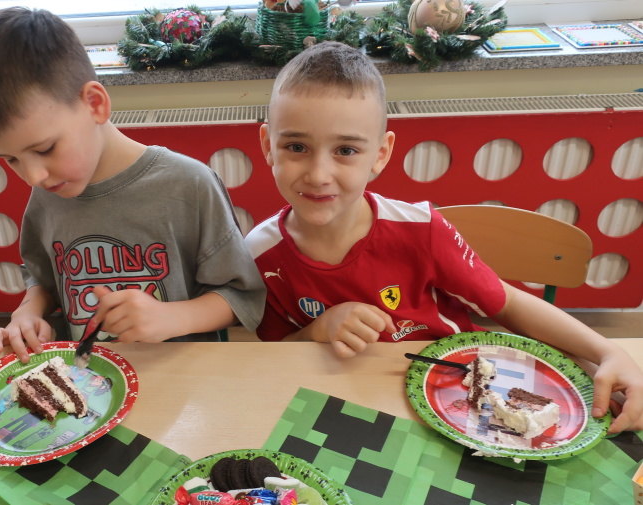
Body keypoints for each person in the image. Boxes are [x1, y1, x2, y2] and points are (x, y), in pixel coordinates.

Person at [245, 41, 642, 433]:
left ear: (380, 154)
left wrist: (608, 351)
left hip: (455, 401)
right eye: (296, 146)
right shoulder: (258, 255)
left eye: (345, 150)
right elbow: (275, 355)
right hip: (337, 408)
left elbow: (506, 303)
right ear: (268, 146)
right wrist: (318, 331)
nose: (318, 174)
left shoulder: (422, 229)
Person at [0, 7, 265, 362]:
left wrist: (173, 317)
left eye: (45, 149)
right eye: (11, 159)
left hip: (182, 379)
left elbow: (241, 296)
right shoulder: (48, 192)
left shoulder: (190, 185)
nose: (33, 176)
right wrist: (28, 312)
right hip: (87, 381)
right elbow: (44, 280)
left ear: (95, 104)